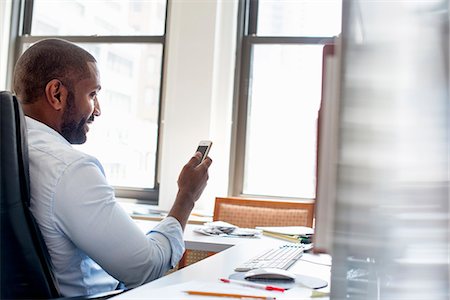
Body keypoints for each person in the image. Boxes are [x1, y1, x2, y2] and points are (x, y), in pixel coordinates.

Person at [12, 38, 212, 297]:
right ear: (56, 94)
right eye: (92, 94)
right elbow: (145, 268)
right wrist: (186, 197)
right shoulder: (68, 168)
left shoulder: (13, 149)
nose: (98, 110)